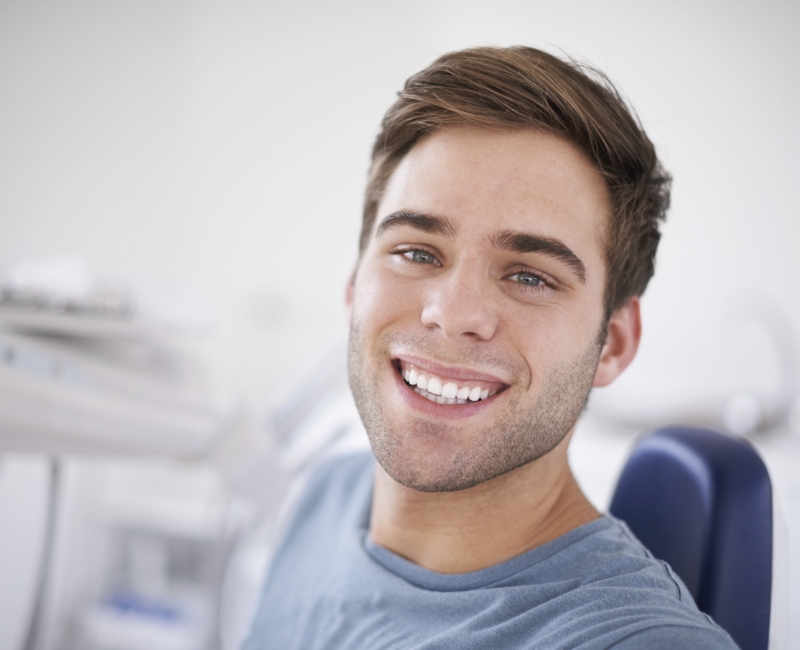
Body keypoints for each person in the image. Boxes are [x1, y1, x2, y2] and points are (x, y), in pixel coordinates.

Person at [243, 46, 738, 649]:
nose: (452, 315)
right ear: (354, 284)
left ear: (612, 343)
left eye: (530, 275)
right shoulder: (328, 495)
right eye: (417, 252)